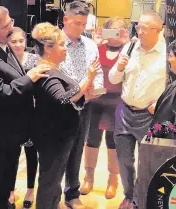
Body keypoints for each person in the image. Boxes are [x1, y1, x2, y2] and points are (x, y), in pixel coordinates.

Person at [0, 5, 49, 209]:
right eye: (6, 25)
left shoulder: (3, 45)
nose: (12, 28)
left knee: (5, 183)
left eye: (11, 21)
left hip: (12, 133)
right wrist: (29, 79)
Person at [30, 22, 98, 209]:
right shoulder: (46, 71)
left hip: (60, 132)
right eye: (61, 45)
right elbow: (63, 99)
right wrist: (88, 80)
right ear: (48, 48)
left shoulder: (53, 67)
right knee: (50, 179)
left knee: (54, 177)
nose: (65, 48)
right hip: (53, 134)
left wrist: (85, 90)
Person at [109, 12, 166, 209]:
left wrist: (161, 102)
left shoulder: (167, 52)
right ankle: (128, 195)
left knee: (146, 161)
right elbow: (114, 78)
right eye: (138, 26)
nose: (138, 31)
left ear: (158, 30)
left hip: (149, 117)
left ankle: (139, 200)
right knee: (124, 159)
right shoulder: (130, 47)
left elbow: (175, 84)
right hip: (124, 112)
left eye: (144, 28)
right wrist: (119, 68)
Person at [60, 1, 104, 208]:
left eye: (84, 23)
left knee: (77, 150)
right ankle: (50, 195)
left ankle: (72, 193)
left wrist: (95, 88)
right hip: (58, 107)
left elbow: (99, 73)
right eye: (77, 23)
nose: (81, 28)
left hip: (85, 105)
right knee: (55, 154)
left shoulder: (90, 45)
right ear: (65, 19)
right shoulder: (53, 43)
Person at [80, 17, 129, 199]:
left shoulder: (128, 50)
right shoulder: (97, 48)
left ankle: (113, 180)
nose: (114, 36)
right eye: (111, 31)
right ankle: (89, 176)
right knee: (91, 139)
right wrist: (97, 42)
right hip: (96, 101)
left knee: (113, 141)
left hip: (116, 103)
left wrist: (126, 42)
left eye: (119, 31)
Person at [7, 27, 39, 209]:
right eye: (14, 41)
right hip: (11, 115)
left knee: (31, 154)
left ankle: (30, 189)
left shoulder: (34, 60)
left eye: (21, 41)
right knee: (11, 154)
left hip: (31, 114)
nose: (18, 44)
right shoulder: (5, 61)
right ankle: (10, 190)